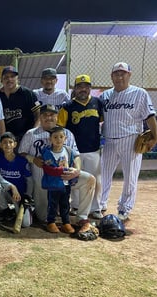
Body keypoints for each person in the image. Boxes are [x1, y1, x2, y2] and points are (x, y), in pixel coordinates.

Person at [18, 104, 95, 232]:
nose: (49, 117)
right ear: (40, 117)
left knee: (90, 179)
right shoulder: (31, 134)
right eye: (45, 115)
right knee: (42, 217)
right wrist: (33, 159)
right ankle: (39, 209)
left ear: (57, 116)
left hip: (65, 176)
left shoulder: (67, 133)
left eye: (52, 114)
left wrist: (77, 170)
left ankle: (81, 217)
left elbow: (76, 155)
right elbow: (21, 152)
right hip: (43, 179)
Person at [99, 62, 157, 221]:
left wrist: (156, 136)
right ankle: (100, 203)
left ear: (129, 75)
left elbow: (150, 116)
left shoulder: (140, 93)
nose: (119, 76)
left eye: (123, 73)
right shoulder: (105, 95)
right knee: (103, 175)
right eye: (116, 74)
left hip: (131, 140)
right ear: (111, 76)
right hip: (109, 140)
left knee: (130, 177)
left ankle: (124, 208)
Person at [57, 74, 104, 219]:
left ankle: (96, 207)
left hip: (93, 148)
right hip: (74, 151)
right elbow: (60, 128)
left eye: (86, 86)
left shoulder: (97, 103)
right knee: (75, 179)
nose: (83, 89)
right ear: (75, 89)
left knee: (95, 179)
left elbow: (101, 120)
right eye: (79, 87)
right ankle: (76, 205)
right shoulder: (67, 107)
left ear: (90, 88)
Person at [41, 126, 77, 234]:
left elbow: (74, 163)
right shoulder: (47, 152)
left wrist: (73, 174)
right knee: (52, 204)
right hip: (53, 184)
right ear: (50, 139)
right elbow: (48, 169)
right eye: (55, 137)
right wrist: (63, 170)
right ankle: (51, 222)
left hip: (66, 184)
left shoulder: (68, 151)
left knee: (65, 204)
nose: (58, 140)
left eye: (61, 137)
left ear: (65, 138)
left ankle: (66, 222)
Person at [0, 131, 31, 221]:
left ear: (15, 144)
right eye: (4, 142)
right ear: (0, 145)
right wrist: (11, 186)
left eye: (10, 142)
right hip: (6, 192)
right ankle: (6, 210)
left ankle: (29, 209)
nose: (7, 145)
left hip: (18, 196)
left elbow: (30, 180)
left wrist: (27, 195)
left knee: (25, 223)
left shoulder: (22, 160)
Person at [0, 66, 40, 142]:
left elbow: (39, 115)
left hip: (26, 137)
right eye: (6, 77)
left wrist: (33, 133)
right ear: (1, 80)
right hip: (7, 140)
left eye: (12, 76)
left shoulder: (28, 93)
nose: (9, 79)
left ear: (17, 79)